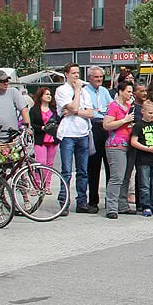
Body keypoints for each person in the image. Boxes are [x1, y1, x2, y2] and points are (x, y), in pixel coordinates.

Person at [55, 63, 96, 214]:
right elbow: (71, 107)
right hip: (68, 134)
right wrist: (77, 92)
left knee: (83, 170)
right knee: (66, 170)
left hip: (83, 133)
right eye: (73, 73)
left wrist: (75, 111)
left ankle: (82, 202)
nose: (77, 76)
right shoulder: (62, 90)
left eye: (78, 73)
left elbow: (90, 113)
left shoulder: (85, 92)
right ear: (66, 74)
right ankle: (64, 200)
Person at [103, 81, 136, 219]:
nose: (130, 94)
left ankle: (122, 204)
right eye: (128, 91)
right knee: (117, 177)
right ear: (121, 91)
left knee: (126, 177)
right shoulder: (113, 106)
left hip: (129, 143)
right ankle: (111, 207)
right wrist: (124, 120)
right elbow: (106, 125)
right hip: (116, 145)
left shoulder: (129, 106)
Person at [130, 96, 153, 217]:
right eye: (150, 113)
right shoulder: (138, 126)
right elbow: (133, 141)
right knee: (144, 184)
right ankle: (145, 205)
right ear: (143, 112)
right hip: (143, 159)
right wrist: (147, 149)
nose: (152, 115)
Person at [84, 67, 113, 207]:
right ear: (90, 78)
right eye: (96, 77)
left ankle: (110, 201)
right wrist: (98, 111)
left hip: (106, 127)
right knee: (93, 166)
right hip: (93, 127)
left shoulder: (104, 91)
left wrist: (99, 110)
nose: (99, 80)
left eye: (101, 77)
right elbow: (88, 111)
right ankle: (93, 201)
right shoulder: (85, 91)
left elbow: (111, 108)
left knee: (109, 165)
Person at [28, 87, 60, 170]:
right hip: (40, 139)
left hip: (52, 139)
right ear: (41, 96)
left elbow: (59, 122)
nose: (49, 96)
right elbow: (31, 124)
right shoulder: (34, 110)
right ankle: (39, 182)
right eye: (46, 94)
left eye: (50, 94)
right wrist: (42, 128)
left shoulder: (54, 110)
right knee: (41, 163)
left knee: (50, 164)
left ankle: (47, 183)